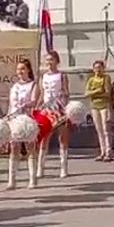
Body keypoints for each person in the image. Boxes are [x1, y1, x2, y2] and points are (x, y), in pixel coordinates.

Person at [38, 51, 72, 179]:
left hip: (59, 108)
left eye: (51, 60)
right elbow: (42, 94)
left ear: (57, 61)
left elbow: (67, 91)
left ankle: (64, 167)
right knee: (44, 138)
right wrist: (38, 106)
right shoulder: (43, 76)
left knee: (62, 138)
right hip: (47, 110)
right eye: (47, 60)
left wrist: (64, 100)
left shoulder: (62, 75)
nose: (49, 62)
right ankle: (40, 168)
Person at [7, 58, 40, 190]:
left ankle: (32, 179)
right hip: (14, 118)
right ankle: (12, 180)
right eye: (18, 69)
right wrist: (8, 117)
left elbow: (34, 101)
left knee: (30, 148)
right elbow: (11, 104)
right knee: (14, 148)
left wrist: (27, 105)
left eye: (22, 69)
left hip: (27, 119)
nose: (20, 71)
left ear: (28, 70)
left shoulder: (33, 84)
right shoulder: (14, 86)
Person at [84, 60, 114, 162]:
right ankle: (102, 151)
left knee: (106, 129)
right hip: (94, 106)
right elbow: (86, 93)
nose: (98, 70)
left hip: (104, 105)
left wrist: (95, 93)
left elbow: (107, 93)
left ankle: (108, 152)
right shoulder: (91, 80)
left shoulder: (106, 78)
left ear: (103, 68)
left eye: (99, 67)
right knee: (99, 130)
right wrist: (97, 91)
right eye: (96, 68)